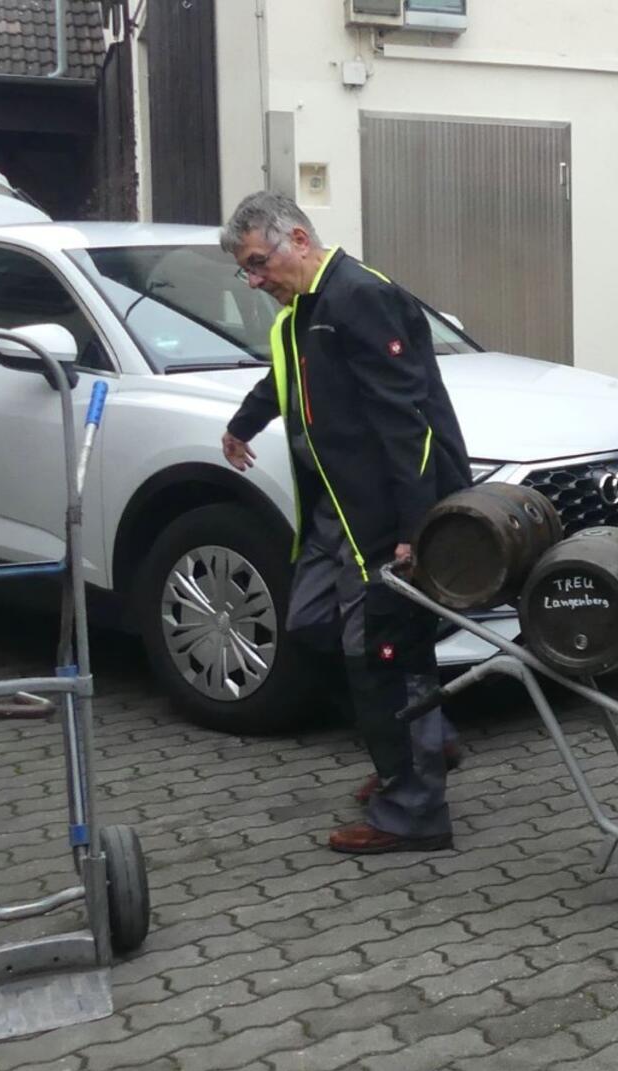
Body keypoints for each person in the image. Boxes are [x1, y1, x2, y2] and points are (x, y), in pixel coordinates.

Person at [219, 191, 472, 855]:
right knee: (309, 626)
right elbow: (289, 378)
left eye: (257, 262)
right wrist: (244, 422)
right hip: (333, 513)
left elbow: (406, 423)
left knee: (385, 652)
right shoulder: (303, 310)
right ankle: (426, 743)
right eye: (245, 270)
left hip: (382, 517)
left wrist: (416, 528)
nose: (254, 279)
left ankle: (412, 808)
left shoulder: (359, 297)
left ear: (297, 240)